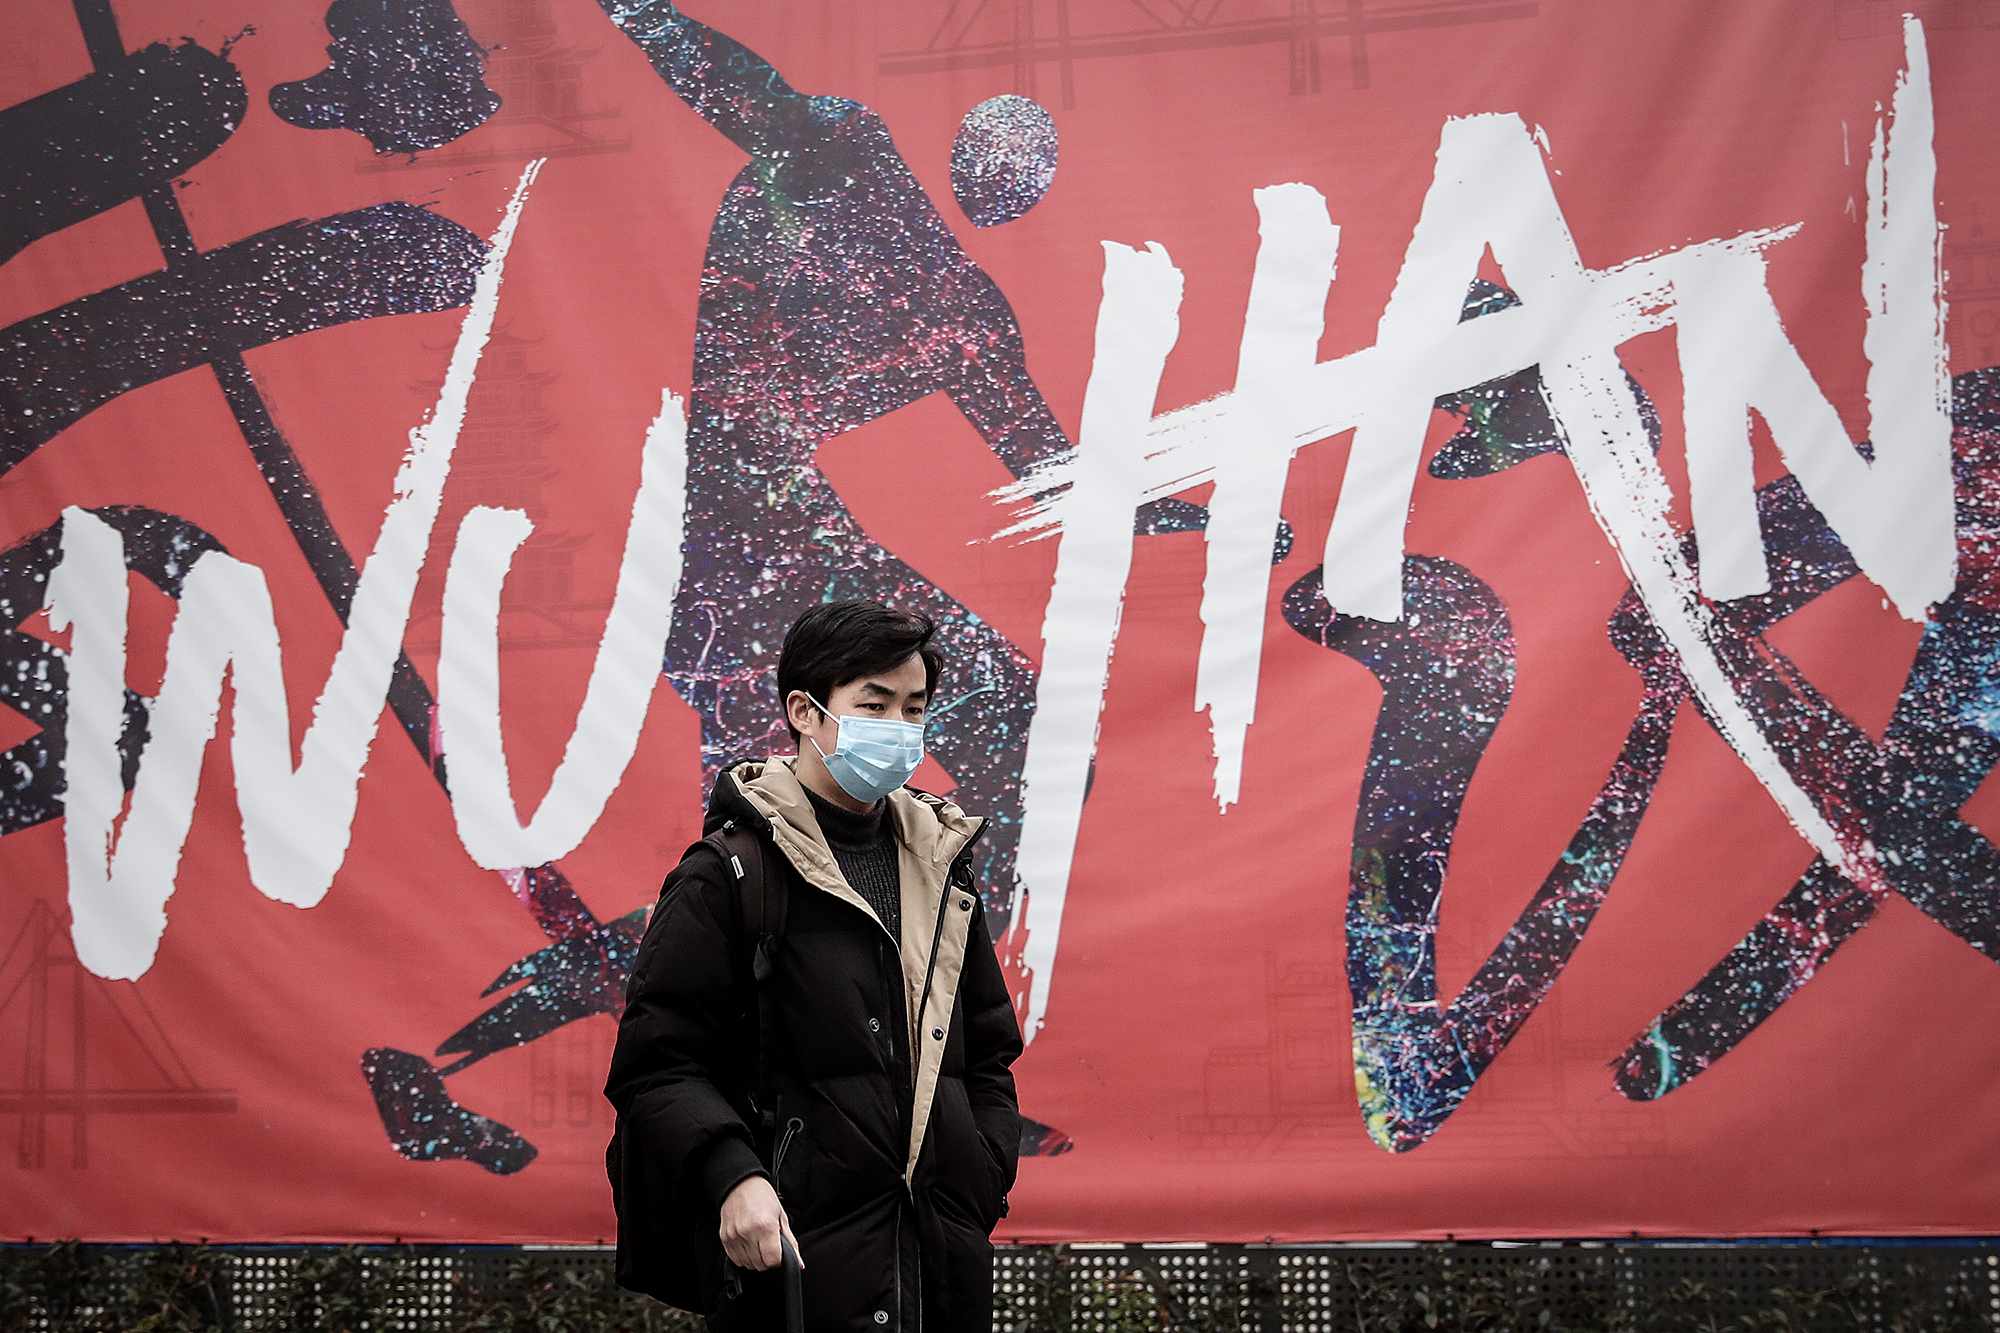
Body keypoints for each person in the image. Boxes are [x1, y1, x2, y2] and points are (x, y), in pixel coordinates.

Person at [608, 599, 1024, 1332]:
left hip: (940, 1262)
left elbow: (985, 1053)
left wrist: (978, 1172)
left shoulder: (942, 868)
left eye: (914, 707)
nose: (898, 728)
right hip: (794, 1266)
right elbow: (658, 1063)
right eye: (874, 704)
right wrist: (733, 1176)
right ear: (804, 710)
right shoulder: (729, 874)